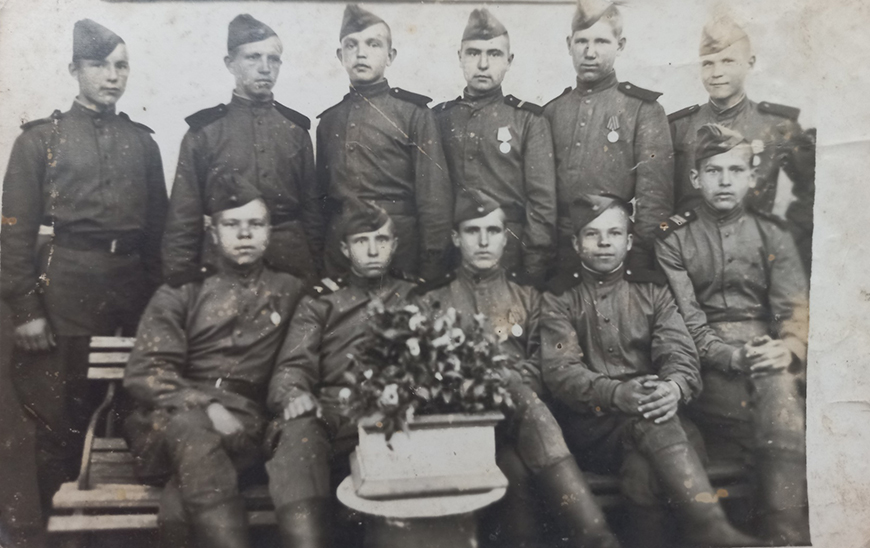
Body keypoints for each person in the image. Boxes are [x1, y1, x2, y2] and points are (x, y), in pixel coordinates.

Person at [0, 18, 167, 517]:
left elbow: (158, 236)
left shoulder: (143, 143)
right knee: (62, 421)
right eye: (99, 65)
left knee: (135, 413)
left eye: (121, 66)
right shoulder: (40, 140)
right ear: (74, 69)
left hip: (132, 295)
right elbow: (14, 233)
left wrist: (158, 308)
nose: (112, 76)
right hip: (66, 295)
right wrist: (26, 310)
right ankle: (61, 532)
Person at [540, 194, 758, 547]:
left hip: (660, 417)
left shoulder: (653, 290)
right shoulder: (559, 297)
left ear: (628, 241)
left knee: (642, 473)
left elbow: (680, 352)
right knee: (654, 424)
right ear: (576, 244)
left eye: (614, 233)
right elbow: (561, 372)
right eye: (592, 234)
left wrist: (673, 387)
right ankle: (711, 529)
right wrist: (615, 393)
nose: (604, 242)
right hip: (596, 430)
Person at [416, 189, 619, 548]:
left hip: (517, 431)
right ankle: (594, 534)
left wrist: (508, 379)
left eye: (492, 231)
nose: (483, 241)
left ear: (505, 238)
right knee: (517, 401)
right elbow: (421, 377)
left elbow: (549, 362)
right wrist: (484, 381)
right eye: (472, 231)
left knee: (515, 469)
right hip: (461, 427)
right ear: (455, 238)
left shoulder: (529, 295)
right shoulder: (430, 300)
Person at [123, 175, 307, 548]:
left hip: (243, 428)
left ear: (269, 232)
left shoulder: (290, 291)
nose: (245, 234)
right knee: (191, 428)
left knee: (185, 489)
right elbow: (147, 371)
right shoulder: (182, 291)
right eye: (232, 224)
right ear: (213, 231)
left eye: (256, 224)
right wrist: (207, 406)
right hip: (166, 426)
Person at [655, 124, 810, 545]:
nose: (724, 181)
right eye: (713, 171)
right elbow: (687, 321)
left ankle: (782, 535)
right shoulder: (674, 239)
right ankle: (786, 535)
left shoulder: (772, 232)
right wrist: (733, 357)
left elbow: (794, 309)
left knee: (778, 386)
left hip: (770, 356)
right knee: (779, 405)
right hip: (710, 366)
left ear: (751, 177)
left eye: (735, 170)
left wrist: (788, 349)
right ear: (695, 178)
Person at [265, 200, 418, 548]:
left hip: (394, 413)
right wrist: (293, 395)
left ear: (394, 245)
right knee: (298, 436)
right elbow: (292, 365)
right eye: (362, 241)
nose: (373, 250)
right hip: (334, 413)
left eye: (381, 240)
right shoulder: (321, 301)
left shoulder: (415, 295)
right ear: (346, 249)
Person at [162, 14, 323, 286]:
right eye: (253, 57)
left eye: (273, 59)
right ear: (230, 64)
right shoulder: (205, 132)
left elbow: (312, 213)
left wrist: (318, 272)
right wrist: (179, 279)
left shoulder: (295, 129)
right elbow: (183, 217)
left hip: (290, 263)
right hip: (223, 265)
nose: (265, 68)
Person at [316, 4, 453, 281]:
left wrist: (431, 266)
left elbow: (434, 199)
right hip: (342, 251)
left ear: (390, 56)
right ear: (340, 56)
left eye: (373, 44)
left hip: (400, 247)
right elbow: (321, 202)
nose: (361, 53)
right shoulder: (329, 121)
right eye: (351, 45)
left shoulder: (414, 113)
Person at [543, 0, 673, 274]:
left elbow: (654, 200)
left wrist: (638, 261)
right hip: (561, 252)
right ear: (569, 45)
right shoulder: (552, 112)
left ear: (620, 45)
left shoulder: (643, 109)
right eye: (582, 41)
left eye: (601, 41)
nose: (590, 52)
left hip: (618, 253)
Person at [434, 8, 556, 287]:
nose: (483, 64)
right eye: (473, 53)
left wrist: (534, 268)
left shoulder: (528, 120)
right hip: (453, 253)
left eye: (494, 54)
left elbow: (542, 204)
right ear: (460, 57)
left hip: (511, 251)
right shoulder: (438, 118)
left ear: (509, 60)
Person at [668, 15, 812, 227]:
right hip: (690, 243)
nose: (717, 73)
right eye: (708, 63)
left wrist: (788, 236)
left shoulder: (777, 124)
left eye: (728, 61)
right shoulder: (678, 127)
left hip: (752, 243)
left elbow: (813, 188)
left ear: (750, 63)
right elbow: (658, 197)